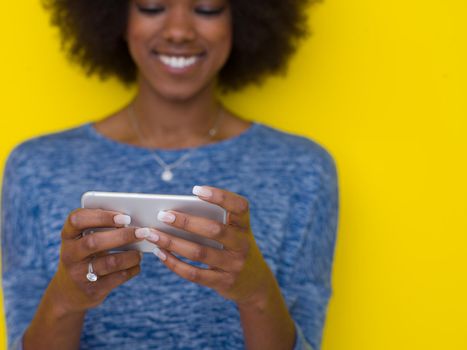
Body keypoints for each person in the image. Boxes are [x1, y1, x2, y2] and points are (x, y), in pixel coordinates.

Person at [1, 0, 338, 349]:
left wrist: (256, 293)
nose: (179, 31)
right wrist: (66, 299)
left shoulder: (303, 170)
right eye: (152, 7)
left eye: (207, 9)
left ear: (241, 17)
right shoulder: (36, 167)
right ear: (118, 16)